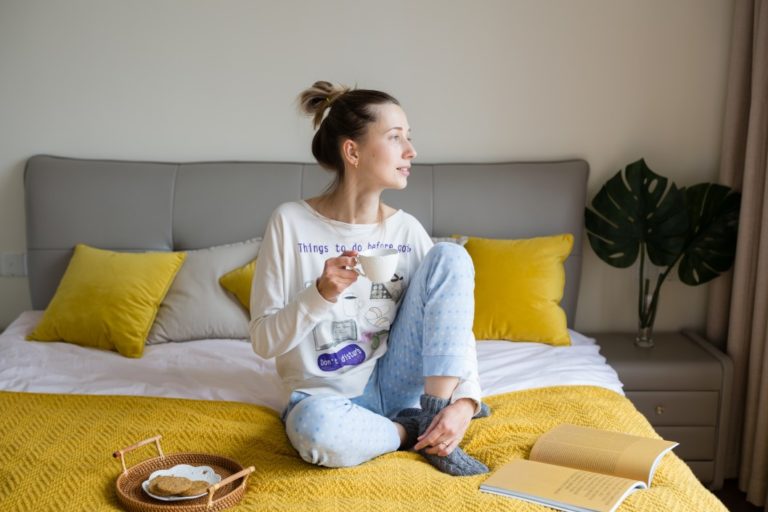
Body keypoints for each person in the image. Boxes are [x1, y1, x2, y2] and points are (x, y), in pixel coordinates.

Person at [249, 80, 489, 476]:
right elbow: (263, 341)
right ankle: (411, 432)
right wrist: (319, 294)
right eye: (396, 138)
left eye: (408, 138)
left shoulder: (406, 230)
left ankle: (436, 412)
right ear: (352, 151)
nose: (411, 152)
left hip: (398, 382)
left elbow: (451, 323)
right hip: (323, 396)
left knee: (452, 255)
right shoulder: (290, 223)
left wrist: (465, 402)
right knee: (317, 432)